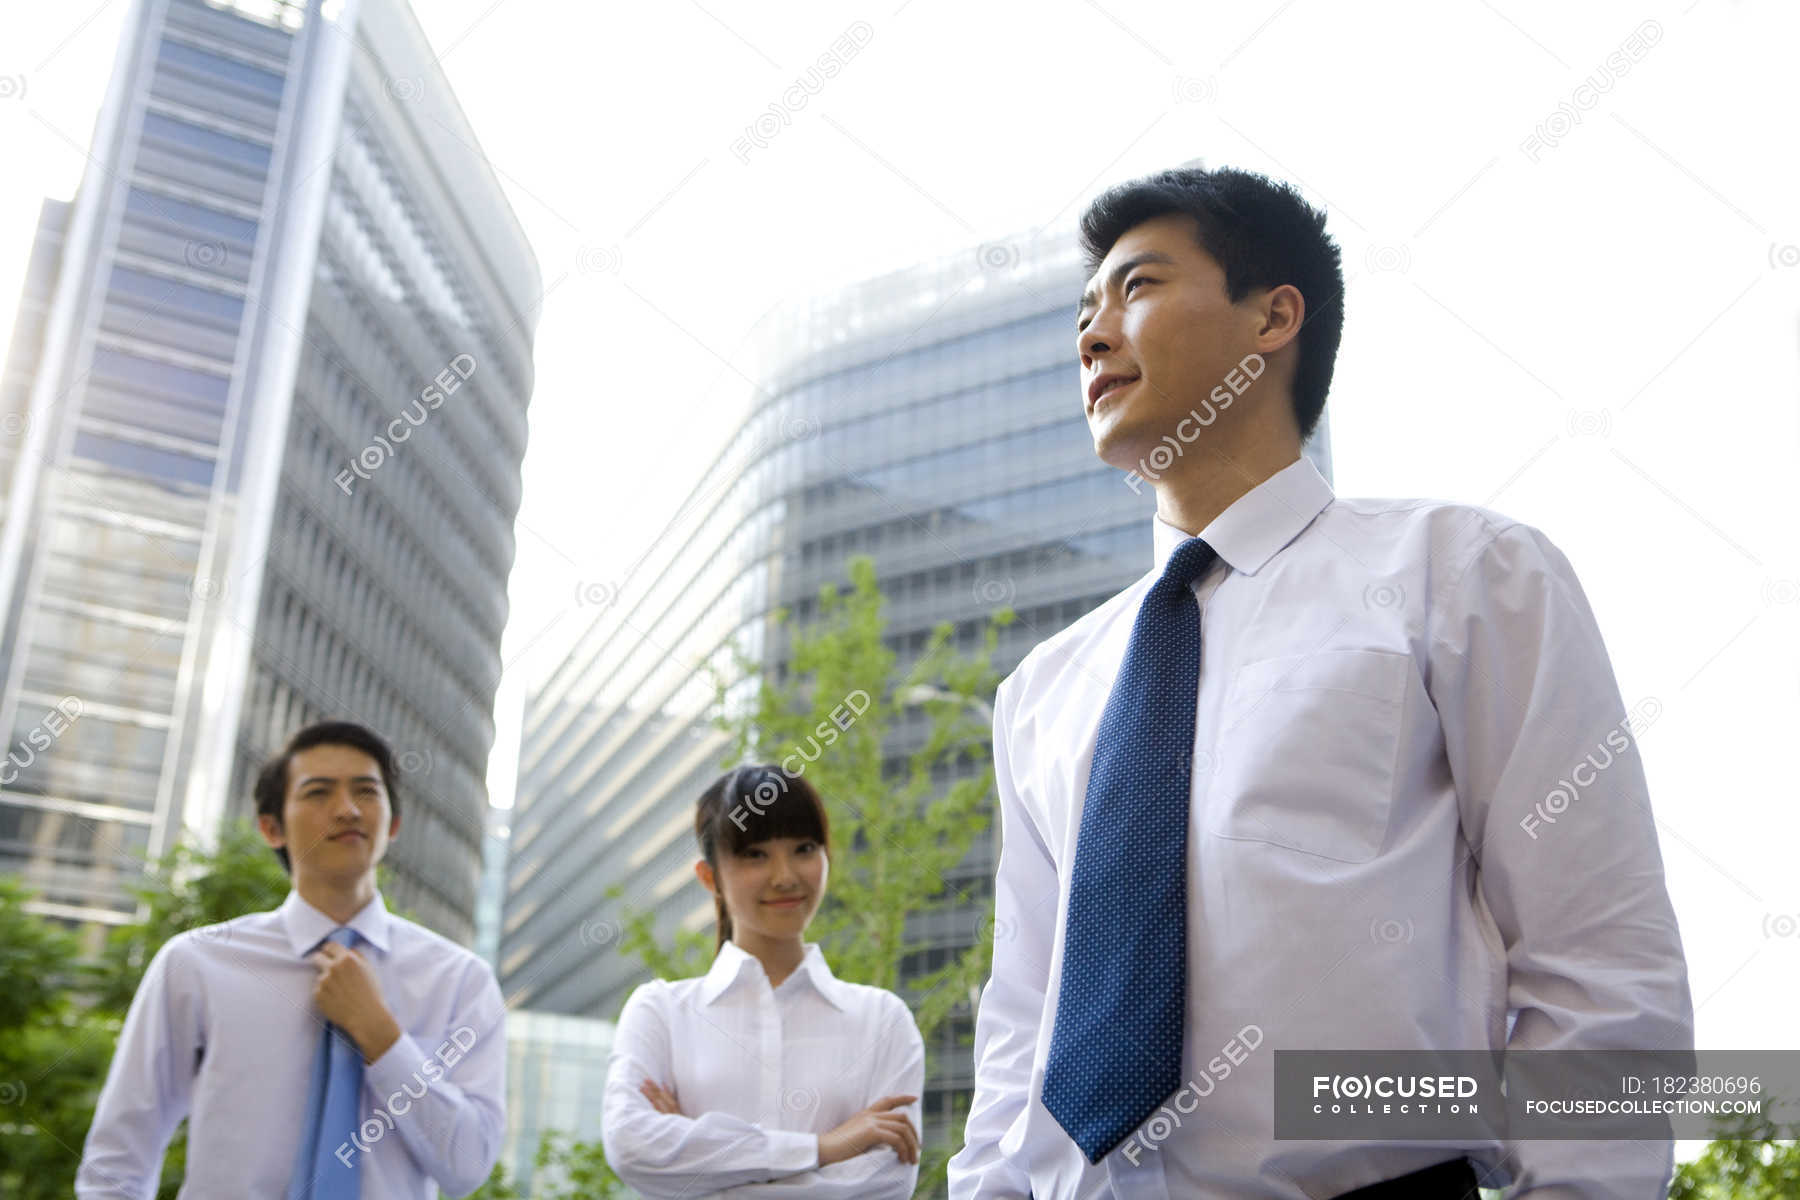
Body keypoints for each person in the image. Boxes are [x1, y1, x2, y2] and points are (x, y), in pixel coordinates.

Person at [947, 165, 1693, 1199]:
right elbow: (1021, 1019)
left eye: (1138, 288)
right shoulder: (1043, 691)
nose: (1092, 334)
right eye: (1084, 311)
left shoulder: (1465, 574)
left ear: (1273, 317)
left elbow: (1598, 954)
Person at [76, 720, 506, 1198]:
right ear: (271, 827)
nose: (346, 810)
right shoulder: (196, 963)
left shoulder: (461, 980)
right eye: (318, 793)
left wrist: (382, 1037)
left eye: (366, 792)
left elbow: (468, 1166)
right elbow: (118, 1157)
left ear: (394, 823)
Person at [602, 763, 925, 1198]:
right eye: (755, 854)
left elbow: (884, 1186)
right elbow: (631, 1147)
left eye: (804, 848)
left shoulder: (883, 1019)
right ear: (709, 877)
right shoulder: (660, 1011)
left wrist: (696, 1168)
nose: (785, 875)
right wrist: (824, 1148)